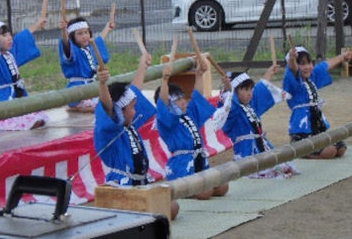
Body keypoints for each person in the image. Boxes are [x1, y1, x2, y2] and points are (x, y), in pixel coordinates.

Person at [93, 52, 179, 219]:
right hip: (122, 186)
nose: (135, 111)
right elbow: (108, 106)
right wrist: (102, 83)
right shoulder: (109, 131)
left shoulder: (129, 124)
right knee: (166, 210)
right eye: (131, 108)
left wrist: (142, 66)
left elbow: (134, 92)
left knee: (173, 206)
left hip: (140, 184)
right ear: (119, 111)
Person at [154, 58, 231, 199]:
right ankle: (186, 192)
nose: (183, 102)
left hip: (199, 161)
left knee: (222, 187)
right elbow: (163, 101)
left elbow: (197, 96)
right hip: (181, 166)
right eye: (177, 100)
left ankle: (195, 188)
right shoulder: (166, 121)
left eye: (182, 98)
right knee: (205, 193)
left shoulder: (189, 114)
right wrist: (164, 80)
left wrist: (199, 74)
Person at [219, 66, 297, 178]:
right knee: (264, 171)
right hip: (245, 150)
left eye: (250, 89)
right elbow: (228, 106)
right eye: (245, 90)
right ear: (235, 92)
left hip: (262, 145)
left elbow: (260, 89)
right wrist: (228, 90)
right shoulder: (233, 107)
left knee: (284, 167)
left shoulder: (250, 105)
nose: (250, 93)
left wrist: (269, 73)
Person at [0, 17, 48, 131]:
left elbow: (22, 38)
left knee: (38, 117)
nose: (9, 38)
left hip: (19, 95)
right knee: (18, 119)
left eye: (9, 34)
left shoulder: (10, 53)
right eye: (4, 36)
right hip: (3, 98)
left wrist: (38, 24)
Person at [284, 46, 352, 159]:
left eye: (309, 63)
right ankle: (303, 151)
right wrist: (292, 58)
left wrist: (343, 57)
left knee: (341, 148)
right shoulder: (292, 81)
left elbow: (324, 66)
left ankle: (315, 148)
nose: (307, 67)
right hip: (302, 130)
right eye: (302, 64)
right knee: (330, 151)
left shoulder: (311, 77)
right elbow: (292, 69)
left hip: (317, 126)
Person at [59, 17, 114, 112]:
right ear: (72, 36)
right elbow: (66, 44)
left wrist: (107, 28)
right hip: (77, 88)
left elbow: (98, 42)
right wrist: (64, 31)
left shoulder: (89, 48)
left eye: (86, 32)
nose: (84, 36)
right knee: (100, 107)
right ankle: (76, 106)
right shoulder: (73, 51)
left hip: (91, 85)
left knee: (108, 101)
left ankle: (81, 107)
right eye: (80, 33)